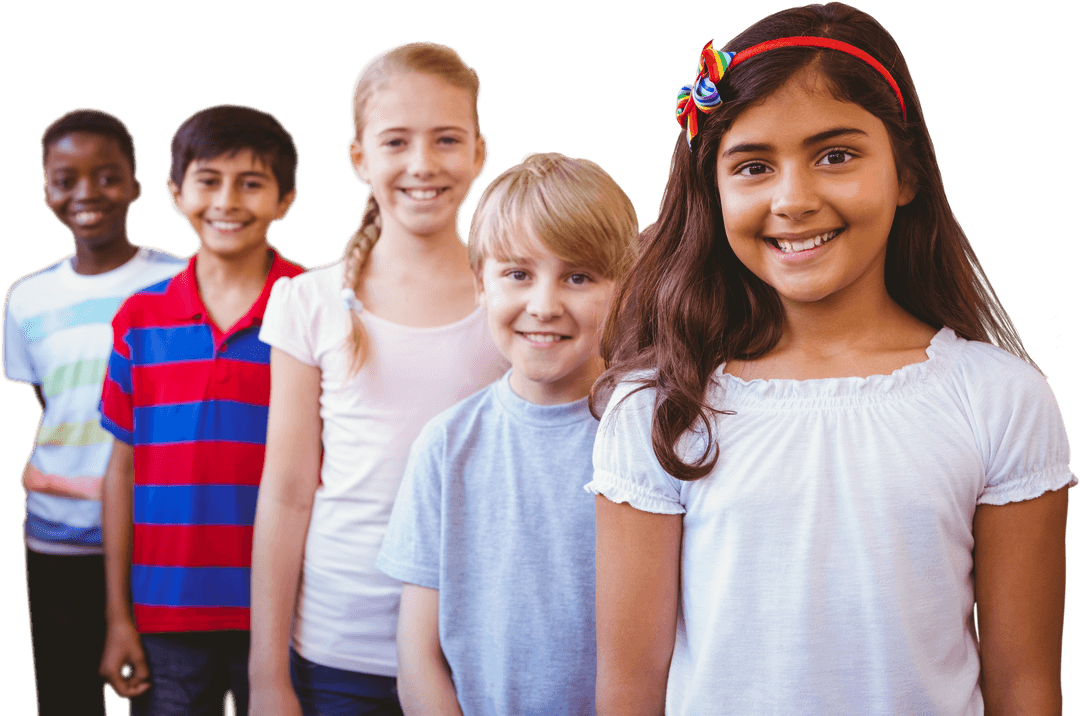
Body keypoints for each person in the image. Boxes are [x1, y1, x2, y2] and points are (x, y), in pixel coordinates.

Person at [587, 3, 1075, 715]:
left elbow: (1024, 684)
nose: (794, 199)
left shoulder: (1000, 398)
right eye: (753, 166)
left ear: (906, 174)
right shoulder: (660, 409)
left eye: (836, 155)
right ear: (712, 191)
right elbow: (630, 688)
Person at [248, 42, 507, 716]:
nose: (422, 164)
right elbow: (286, 493)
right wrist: (265, 675)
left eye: (446, 140)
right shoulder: (307, 302)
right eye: (396, 142)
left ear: (479, 153)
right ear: (360, 157)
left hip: (476, 642)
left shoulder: (516, 304)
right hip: (338, 649)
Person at [377, 152, 638, 716]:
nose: (543, 306)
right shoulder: (446, 446)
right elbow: (417, 654)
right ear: (481, 285)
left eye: (578, 276)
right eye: (518, 274)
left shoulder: (651, 438)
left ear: (623, 287)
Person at [97, 103, 304, 716]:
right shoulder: (139, 318)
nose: (228, 200)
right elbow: (121, 470)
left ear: (286, 198)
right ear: (175, 192)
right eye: (209, 180)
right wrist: (117, 616)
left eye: (252, 183)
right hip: (165, 610)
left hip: (287, 607)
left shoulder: (311, 308)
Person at [2, 108, 184, 716]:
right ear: (46, 189)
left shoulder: (179, 282)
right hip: (58, 537)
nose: (86, 193)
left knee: (168, 697)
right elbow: (55, 404)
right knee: (65, 696)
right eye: (66, 177)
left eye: (107, 176)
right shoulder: (28, 298)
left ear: (136, 185)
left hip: (160, 535)